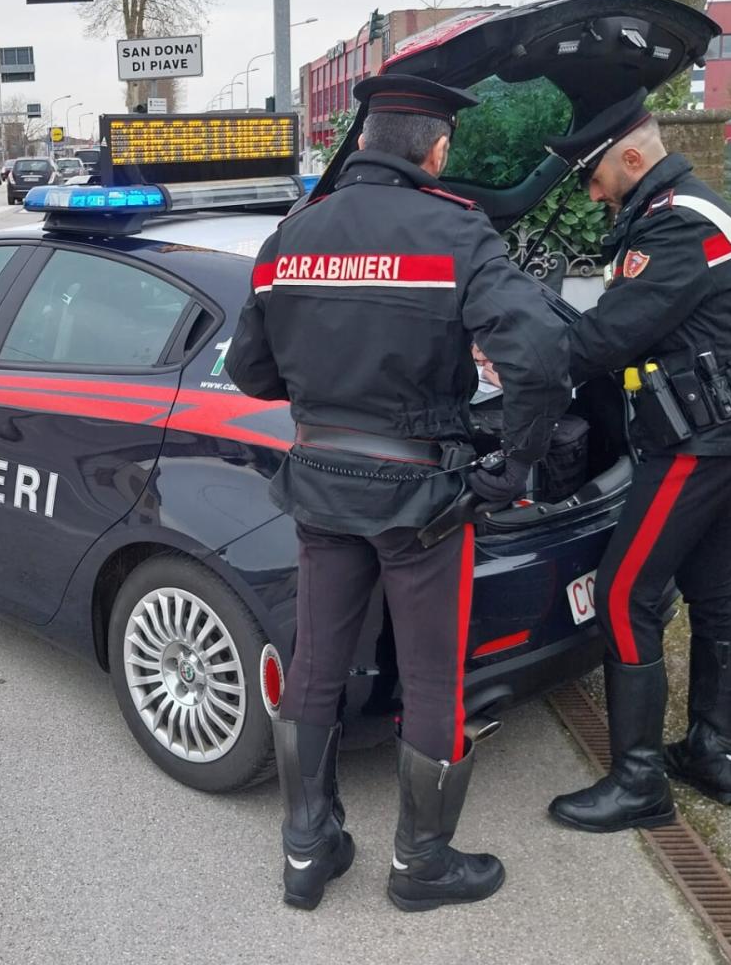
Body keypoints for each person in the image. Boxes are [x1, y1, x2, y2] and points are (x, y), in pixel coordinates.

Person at [226, 74, 571, 912]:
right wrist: (512, 467)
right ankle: (422, 867)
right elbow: (541, 357)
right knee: (431, 679)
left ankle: (307, 854)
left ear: (367, 141)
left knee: (315, 666)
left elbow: (248, 370)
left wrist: (327, 388)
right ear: (438, 149)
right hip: (424, 499)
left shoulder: (291, 237)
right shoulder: (457, 234)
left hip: (321, 483)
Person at [545, 91, 731, 833]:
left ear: (631, 157)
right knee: (712, 588)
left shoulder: (673, 226)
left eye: (594, 176)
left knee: (623, 593)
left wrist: (521, 339)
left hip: (697, 437)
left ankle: (639, 783)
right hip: (730, 425)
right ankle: (716, 754)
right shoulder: (700, 207)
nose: (590, 193)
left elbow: (602, 342)